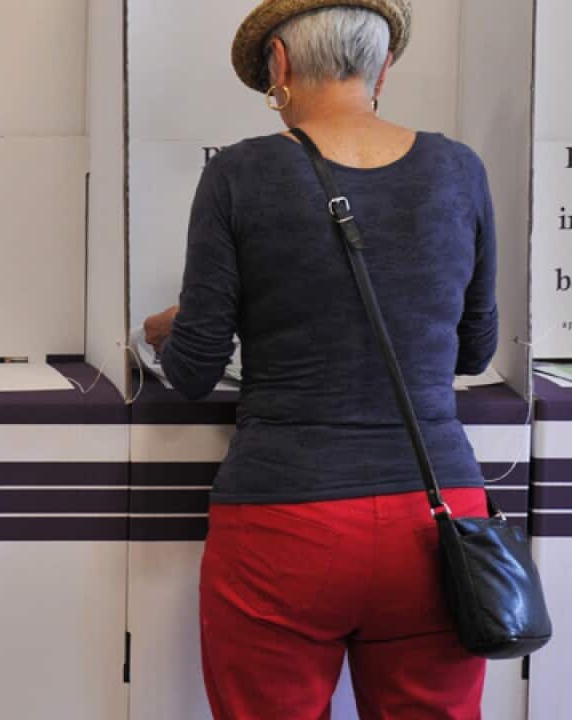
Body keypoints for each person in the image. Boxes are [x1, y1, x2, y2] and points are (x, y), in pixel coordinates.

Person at [143, 1, 498, 717]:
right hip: (438, 520)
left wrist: (167, 327)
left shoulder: (240, 173)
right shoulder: (459, 169)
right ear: (383, 66)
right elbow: (473, 348)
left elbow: (192, 371)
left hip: (285, 521)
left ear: (277, 65)